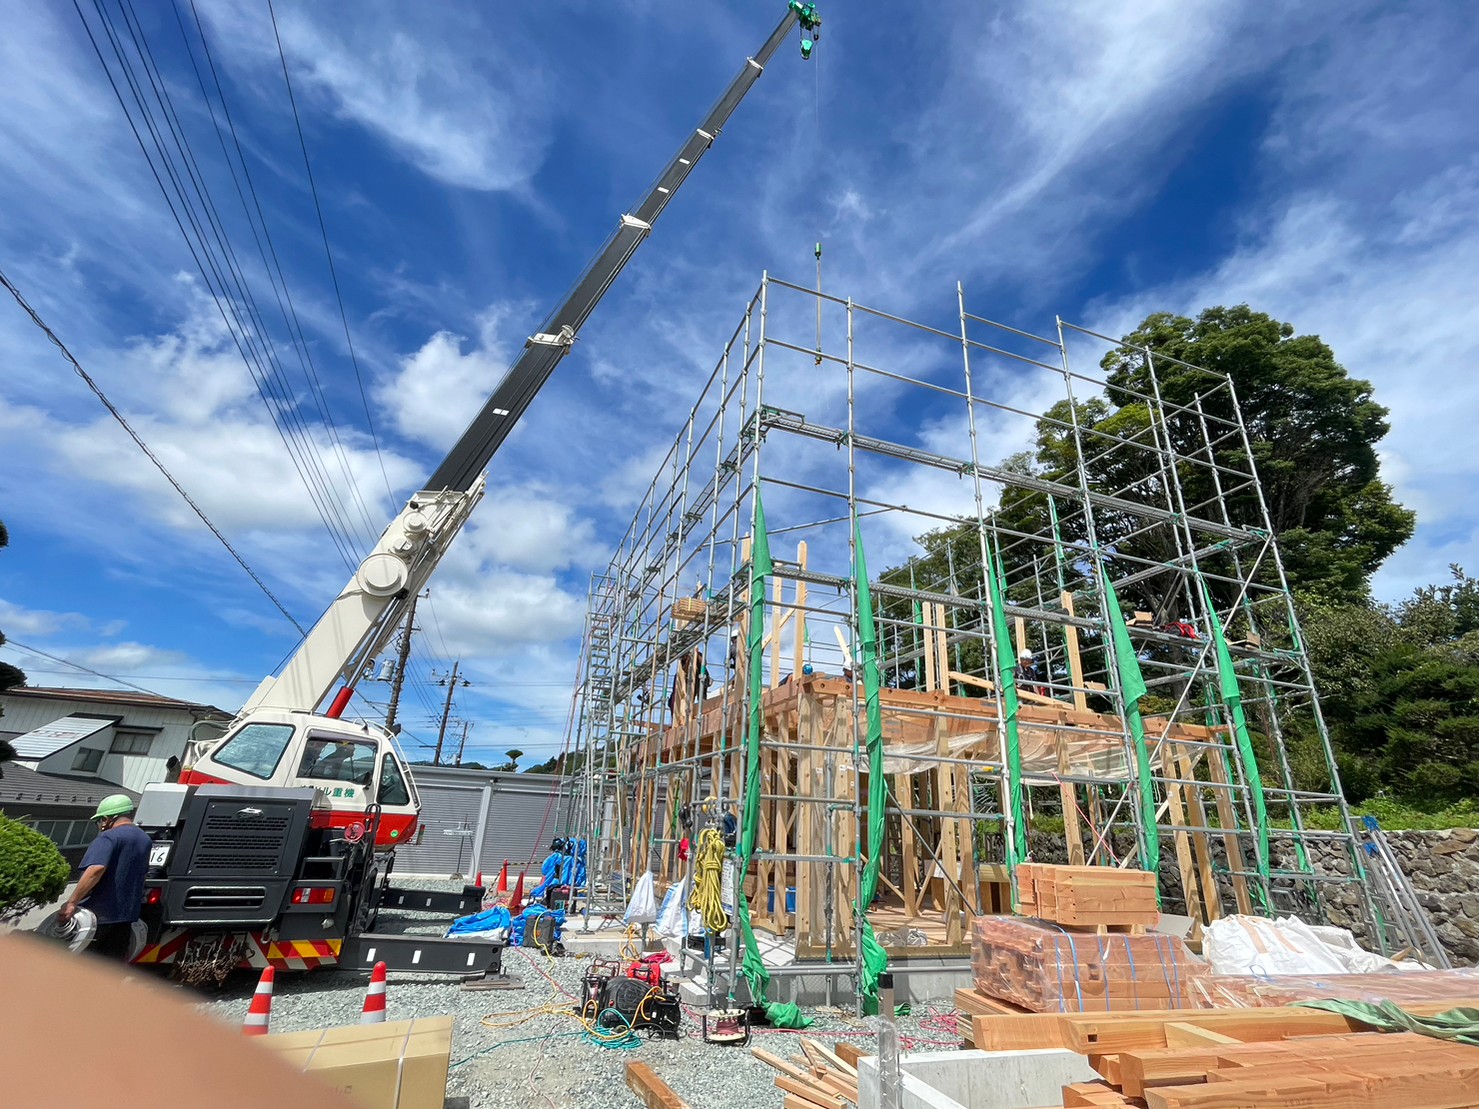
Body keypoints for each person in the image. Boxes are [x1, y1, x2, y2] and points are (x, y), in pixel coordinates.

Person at [60, 794, 151, 961]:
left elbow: (95, 870)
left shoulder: (109, 837)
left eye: (101, 820)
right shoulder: (144, 839)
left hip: (96, 918)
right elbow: (143, 875)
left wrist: (71, 902)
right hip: (125, 917)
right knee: (108, 968)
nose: (101, 824)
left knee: (80, 965)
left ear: (110, 818)